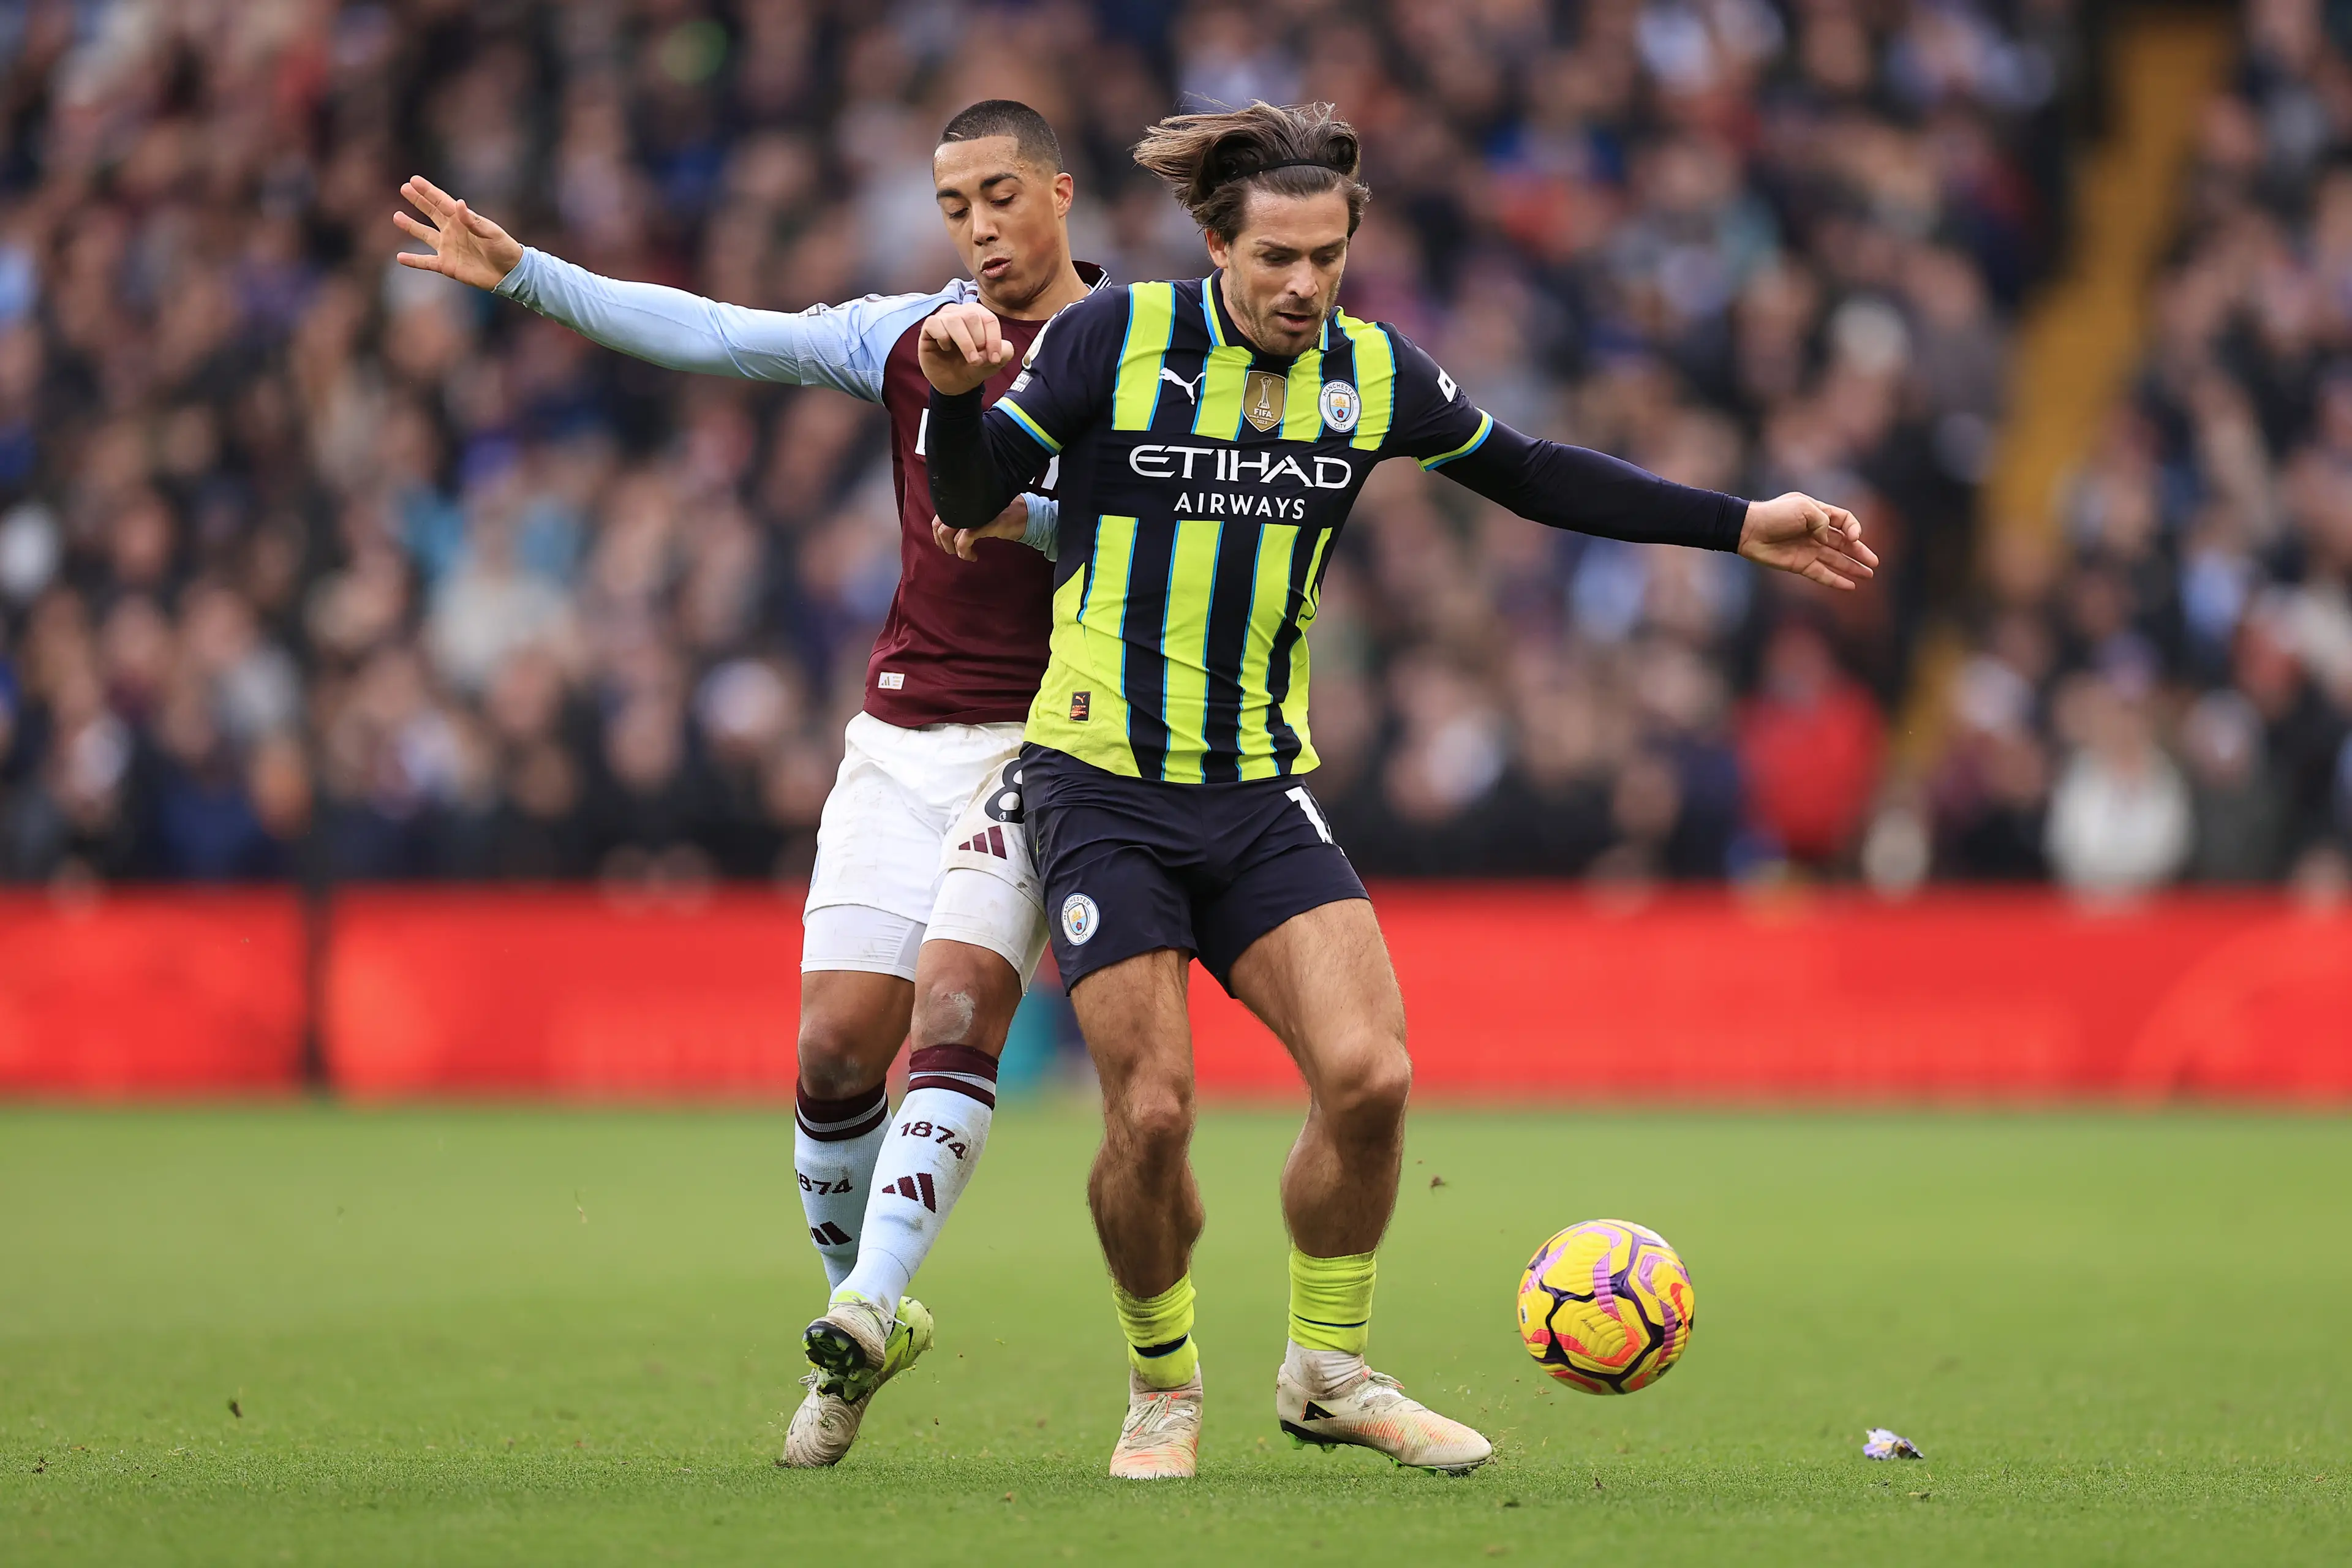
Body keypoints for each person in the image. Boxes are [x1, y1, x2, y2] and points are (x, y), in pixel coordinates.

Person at [918, 102, 1877, 1480]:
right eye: (1277, 260)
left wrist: (1740, 524)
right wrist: (957, 394)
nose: (1306, 285)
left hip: (1256, 788)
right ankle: (1163, 1383)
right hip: (1101, 781)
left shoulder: (1373, 373)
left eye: (1328, 258)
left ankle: (1328, 1372)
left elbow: (1536, 473)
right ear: (1214, 246)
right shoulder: (1106, 341)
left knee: (1370, 1076)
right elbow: (967, 496)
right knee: (1154, 1112)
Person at [393, 100, 1106, 1469]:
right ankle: (865, 1317)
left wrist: (1032, 509)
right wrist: (529, 273)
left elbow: (1151, 523)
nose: (979, 228)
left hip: (1046, 740)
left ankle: (863, 1304)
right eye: (954, 204)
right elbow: (722, 332)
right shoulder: (904, 335)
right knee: (838, 1047)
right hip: (899, 739)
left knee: (956, 1006)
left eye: (1002, 196)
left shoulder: (1134, 350)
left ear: (1062, 192)